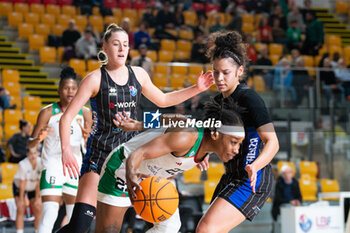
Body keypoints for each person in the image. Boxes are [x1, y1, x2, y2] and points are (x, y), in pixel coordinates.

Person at [57, 23, 213, 233]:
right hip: (101, 153)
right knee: (79, 226)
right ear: (104, 47)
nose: (122, 49)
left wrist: (197, 88)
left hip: (131, 153)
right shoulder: (94, 79)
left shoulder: (138, 74)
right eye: (116, 44)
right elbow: (66, 118)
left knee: (157, 220)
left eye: (125, 45)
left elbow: (164, 100)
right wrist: (66, 150)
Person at [95, 99, 245, 233]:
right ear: (215, 135)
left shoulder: (207, 146)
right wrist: (131, 174)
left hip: (150, 178)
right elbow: (138, 154)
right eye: (233, 142)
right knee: (109, 230)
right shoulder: (186, 136)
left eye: (239, 143)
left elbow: (175, 118)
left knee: (169, 227)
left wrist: (139, 124)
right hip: (123, 168)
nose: (237, 150)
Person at [196, 31, 279, 233]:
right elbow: (208, 140)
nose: (219, 78)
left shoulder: (249, 98)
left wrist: (255, 166)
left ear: (239, 71)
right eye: (215, 72)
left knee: (205, 229)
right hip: (231, 175)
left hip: (253, 179)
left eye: (225, 72)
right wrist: (202, 153)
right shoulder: (216, 103)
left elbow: (273, 143)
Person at [27, 67, 92, 233]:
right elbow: (30, 145)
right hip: (52, 166)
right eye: (66, 88)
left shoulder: (85, 113)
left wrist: (87, 139)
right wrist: (37, 140)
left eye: (73, 88)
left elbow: (89, 146)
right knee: (49, 213)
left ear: (78, 90)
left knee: (74, 217)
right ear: (58, 90)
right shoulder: (47, 112)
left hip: (74, 168)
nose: (70, 91)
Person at [12, 146, 42, 233]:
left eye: (35, 153)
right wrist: (21, 199)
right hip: (19, 187)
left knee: (38, 207)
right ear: (27, 154)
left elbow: (39, 182)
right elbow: (22, 183)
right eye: (31, 153)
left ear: (38, 153)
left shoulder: (41, 162)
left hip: (33, 186)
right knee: (20, 208)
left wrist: (37, 198)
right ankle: (19, 231)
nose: (33, 155)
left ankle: (38, 231)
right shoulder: (22, 164)